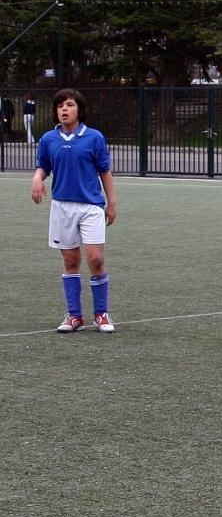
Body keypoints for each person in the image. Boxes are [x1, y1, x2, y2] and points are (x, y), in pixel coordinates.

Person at [30, 88, 118, 333]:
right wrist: (38, 178)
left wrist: (111, 202)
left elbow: (104, 171)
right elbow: (43, 165)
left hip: (90, 206)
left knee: (95, 259)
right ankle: (74, 316)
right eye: (60, 106)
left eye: (69, 105)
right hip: (62, 207)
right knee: (70, 261)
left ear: (79, 109)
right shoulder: (49, 139)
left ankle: (101, 314)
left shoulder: (94, 137)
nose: (64, 110)